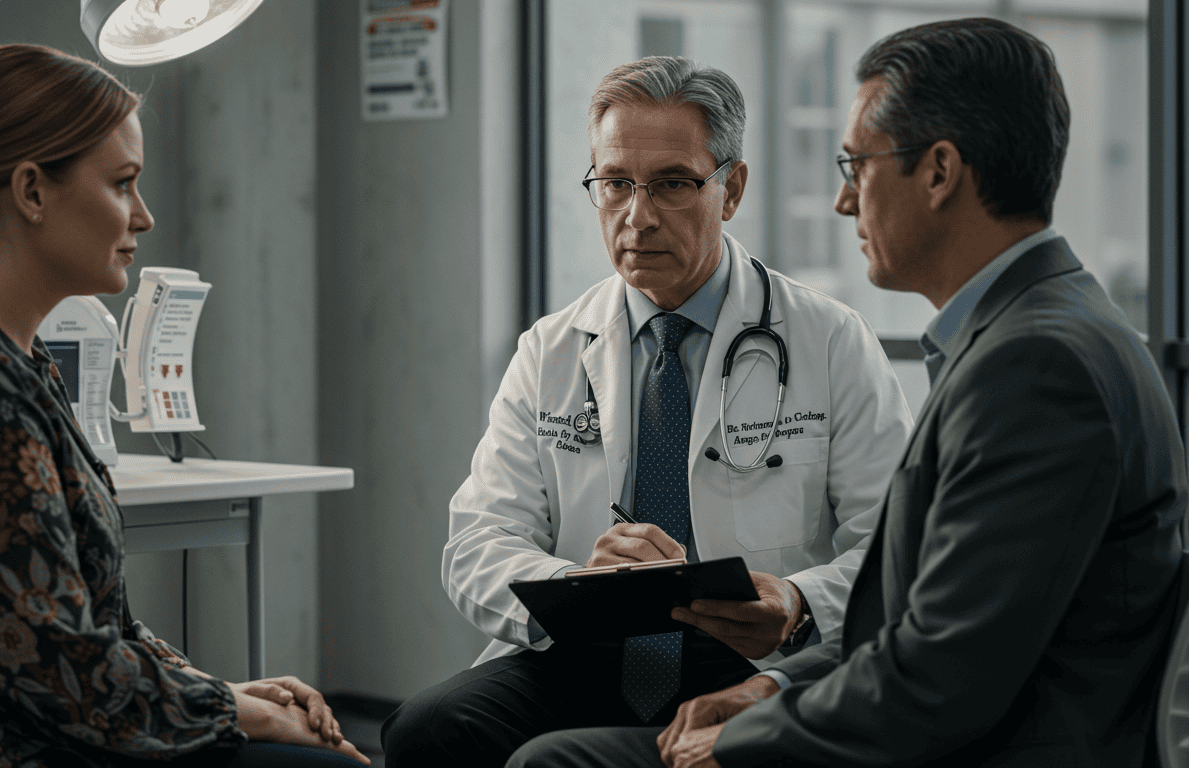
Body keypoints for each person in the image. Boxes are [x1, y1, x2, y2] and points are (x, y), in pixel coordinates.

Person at [504, 17, 1187, 768]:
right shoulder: (1044, 331)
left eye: (855, 165)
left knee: (554, 763)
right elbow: (929, 626)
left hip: (987, 747)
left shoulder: (1035, 368)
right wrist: (775, 690)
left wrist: (749, 731)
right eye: (615, 183)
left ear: (939, 171)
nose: (841, 202)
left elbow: (938, 679)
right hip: (902, 706)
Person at [0, 44, 368, 768]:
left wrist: (212, 689)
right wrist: (232, 712)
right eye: (123, 184)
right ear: (32, 192)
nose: (145, 217)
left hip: (29, 720)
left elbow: (85, 626)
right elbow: (59, 665)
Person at [381, 56, 913, 768]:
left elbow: (894, 549)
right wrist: (575, 587)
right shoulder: (553, 347)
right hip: (589, 648)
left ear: (732, 189)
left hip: (752, 660)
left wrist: (796, 601)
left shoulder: (829, 339)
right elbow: (478, 542)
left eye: (672, 184)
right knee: (427, 729)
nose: (638, 215)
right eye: (615, 184)